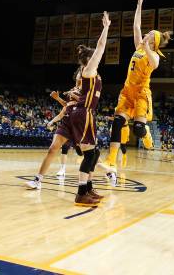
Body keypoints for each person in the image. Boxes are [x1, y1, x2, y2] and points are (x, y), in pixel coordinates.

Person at [27, 12, 110, 206]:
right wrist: (106, 28)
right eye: (95, 58)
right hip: (81, 114)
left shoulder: (90, 75)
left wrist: (72, 96)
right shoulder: (88, 71)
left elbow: (79, 93)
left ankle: (87, 188)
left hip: (80, 113)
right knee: (90, 154)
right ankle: (82, 192)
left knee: (92, 153)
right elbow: (100, 47)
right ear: (90, 60)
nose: (99, 59)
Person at [105, 0, 172, 183]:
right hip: (127, 92)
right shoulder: (139, 47)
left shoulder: (154, 54)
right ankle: (111, 161)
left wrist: (147, 47)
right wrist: (139, 4)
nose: (145, 33)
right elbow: (136, 25)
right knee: (117, 122)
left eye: (149, 34)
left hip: (142, 94)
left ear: (154, 41)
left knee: (138, 130)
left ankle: (146, 132)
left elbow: (155, 63)